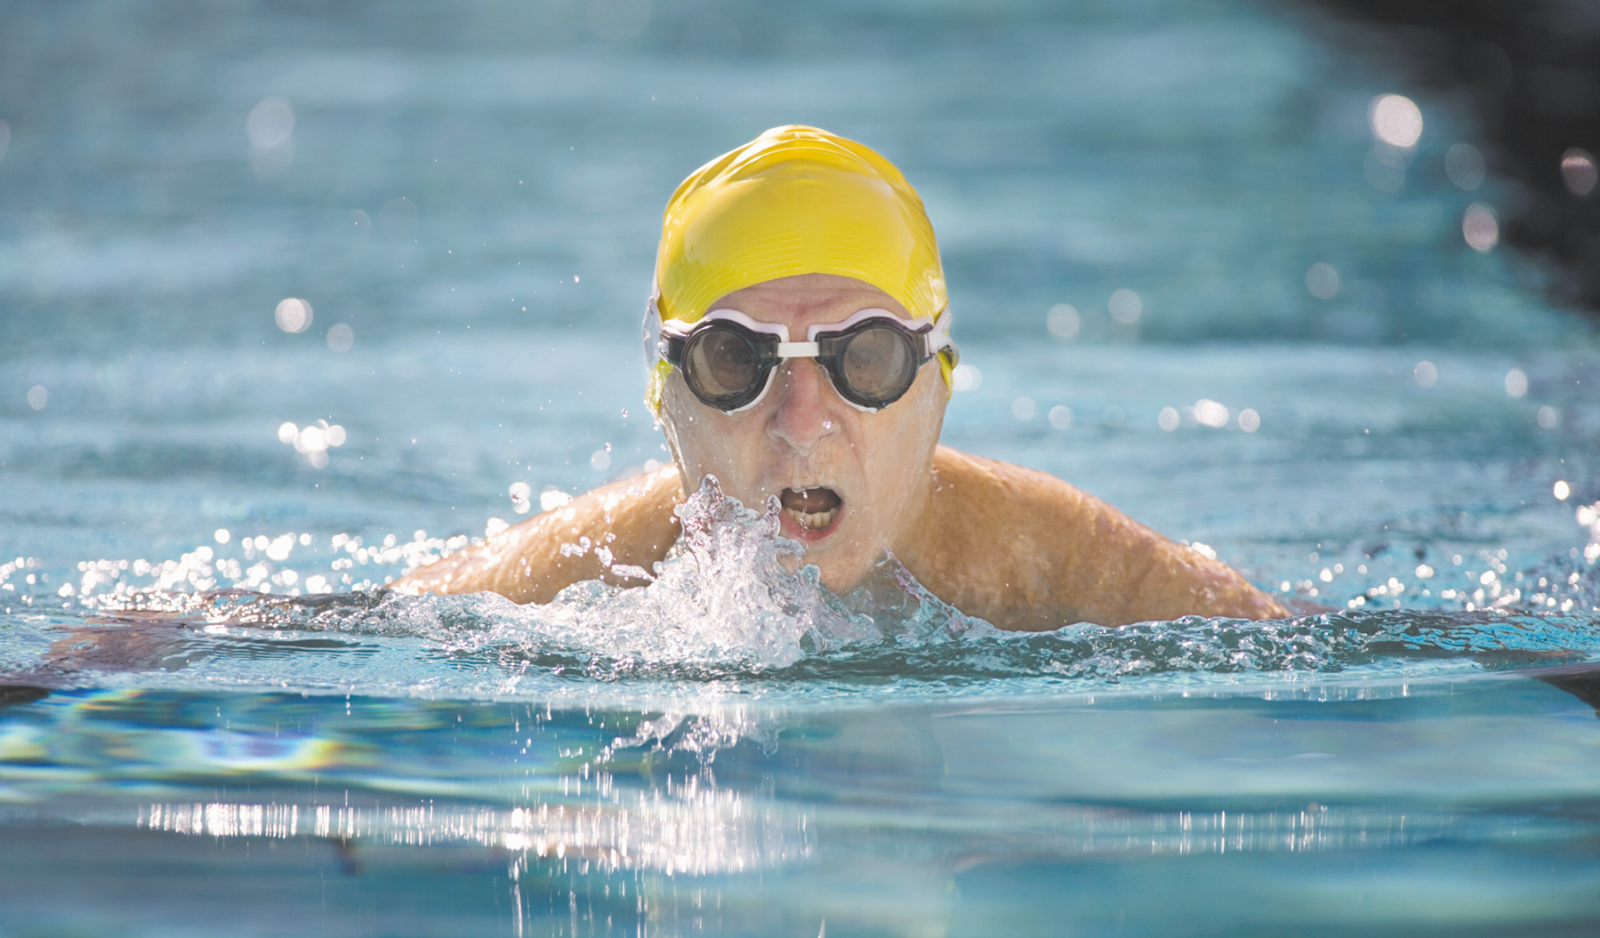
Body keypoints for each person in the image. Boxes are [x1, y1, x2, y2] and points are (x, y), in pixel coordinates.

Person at [391, 125, 1290, 629]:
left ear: (938, 384)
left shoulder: (1072, 571)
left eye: (863, 358)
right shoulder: (552, 590)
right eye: (736, 360)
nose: (800, 419)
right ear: (664, 397)